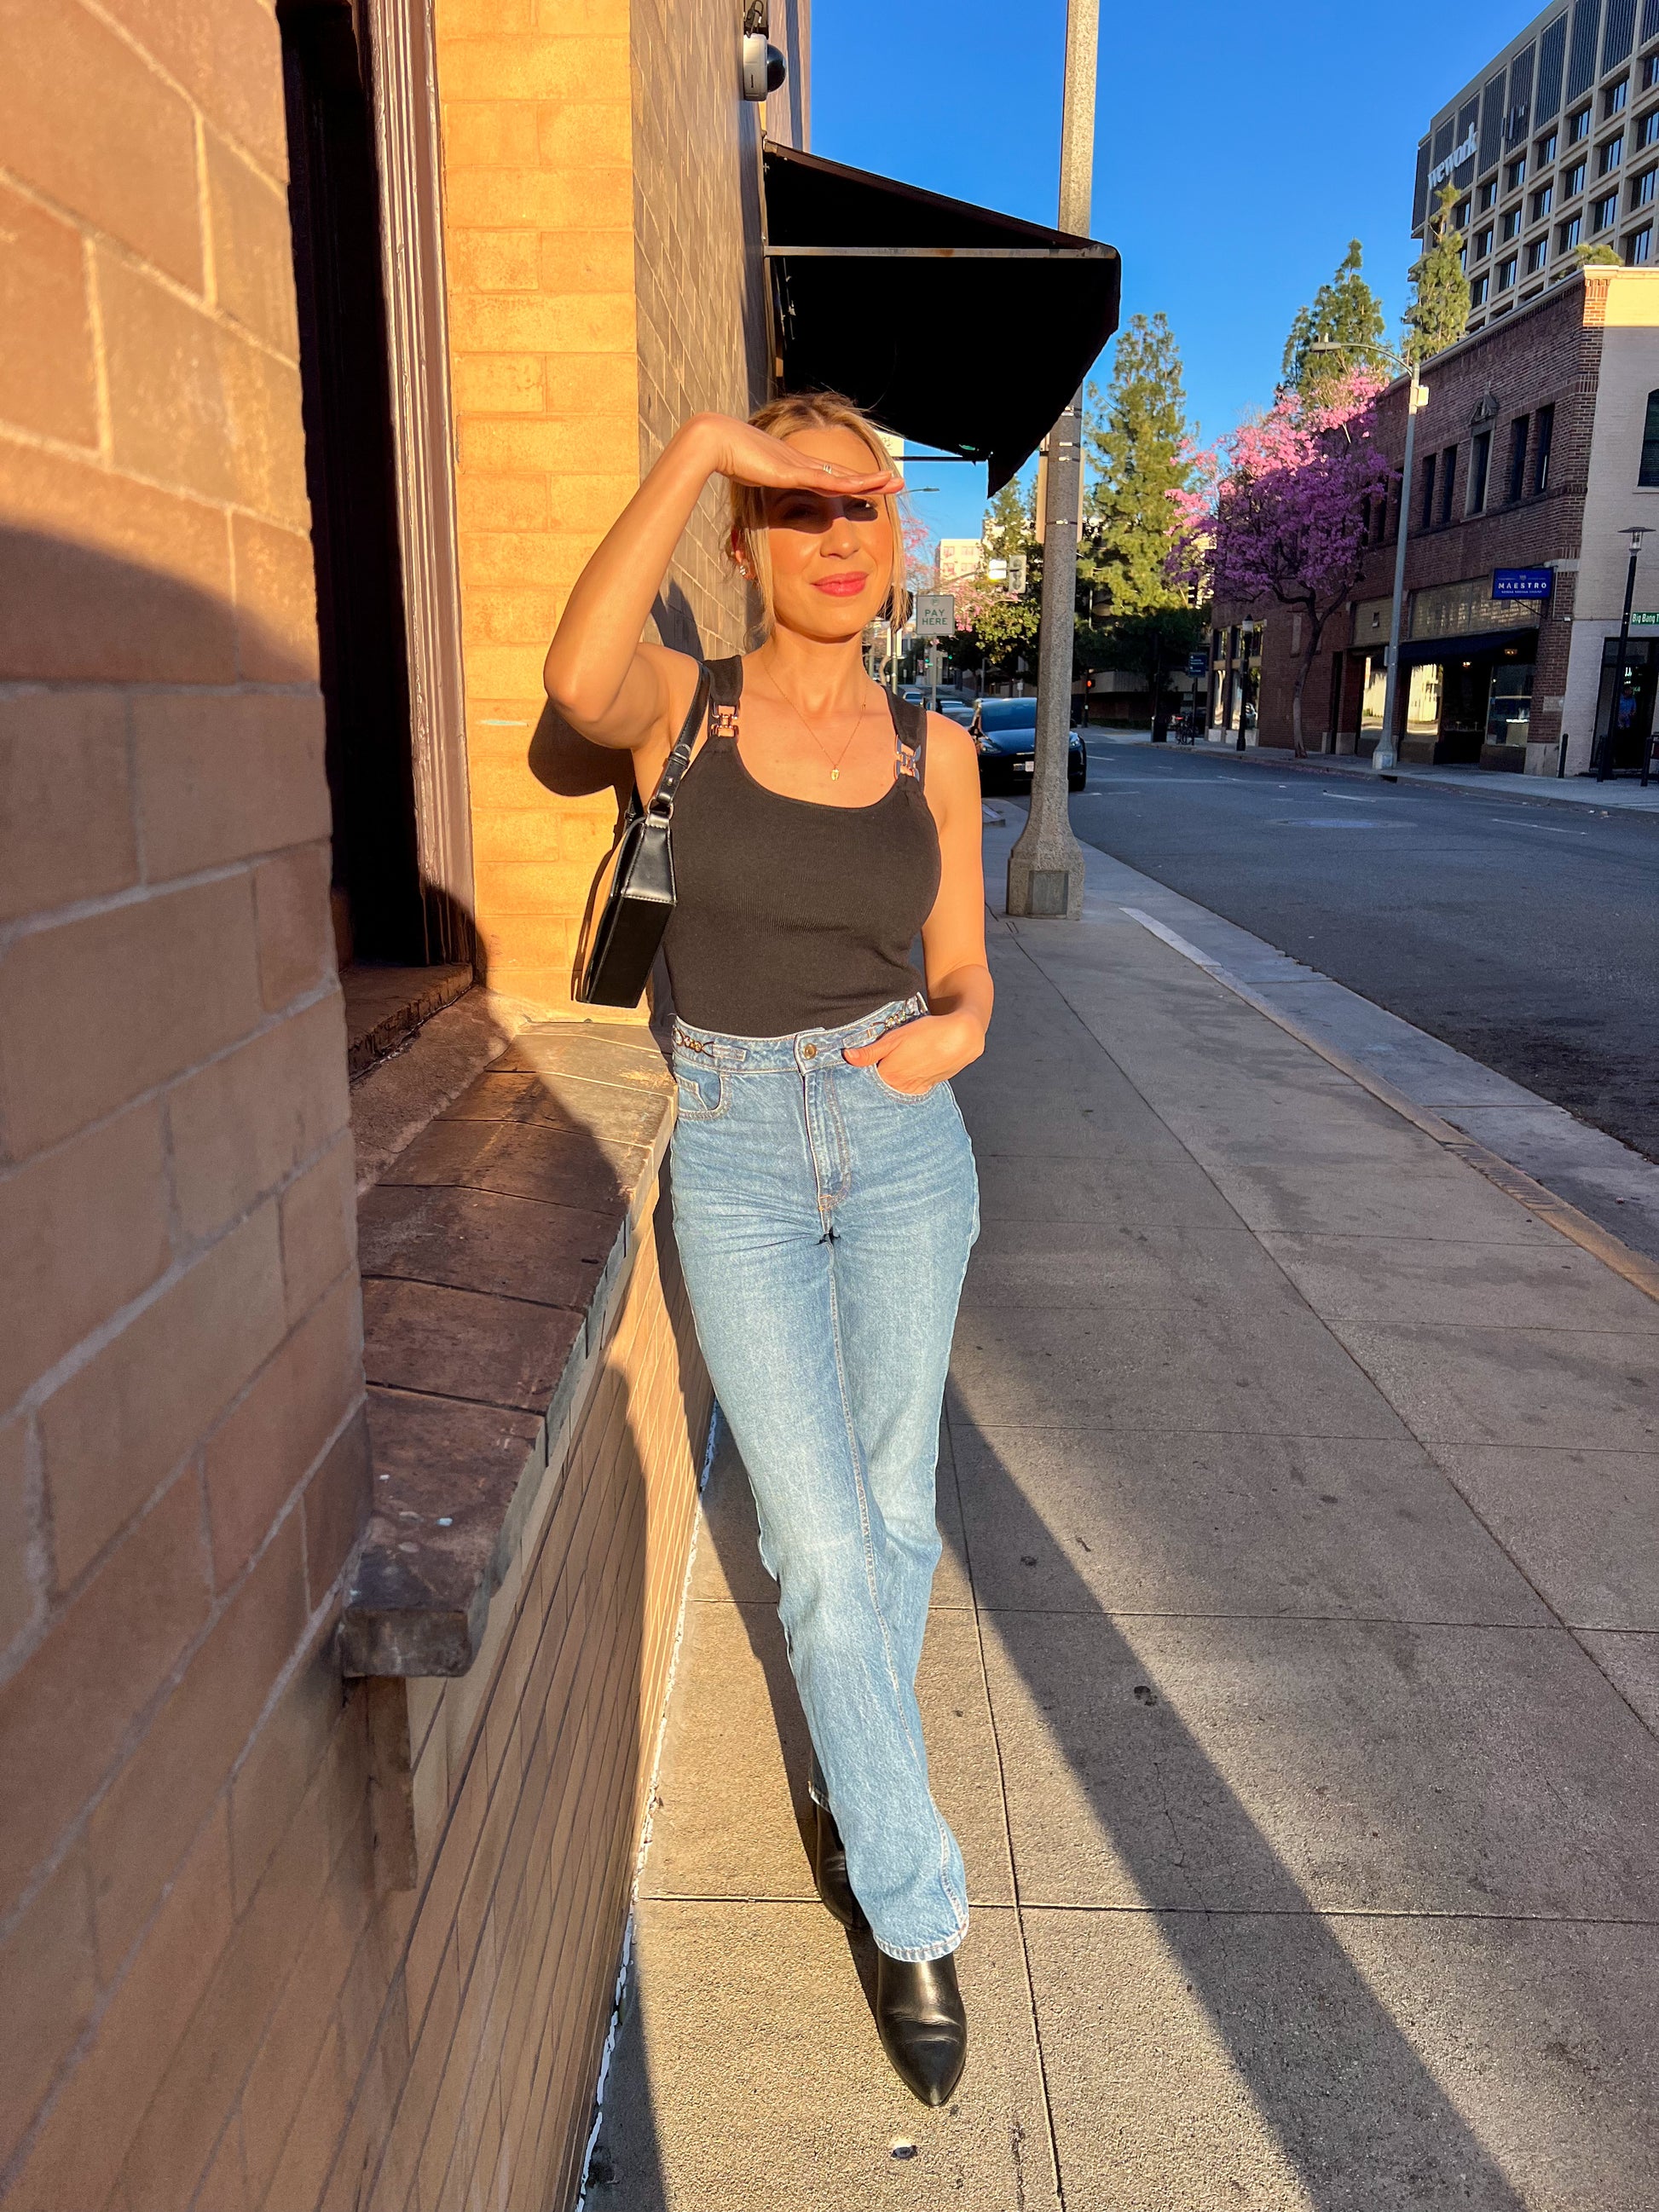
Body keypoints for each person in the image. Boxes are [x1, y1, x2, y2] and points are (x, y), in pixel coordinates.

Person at [543, 393, 992, 2105]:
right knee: (815, 1535)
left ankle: (850, 1773)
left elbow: (960, 968)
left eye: (857, 509)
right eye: (793, 507)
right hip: (729, 1141)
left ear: (890, 543)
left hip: (898, 1141)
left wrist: (962, 1024)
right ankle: (915, 1899)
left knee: (892, 1512)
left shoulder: (934, 748)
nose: (832, 538)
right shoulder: (688, 711)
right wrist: (695, 451)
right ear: (742, 540)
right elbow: (578, 681)